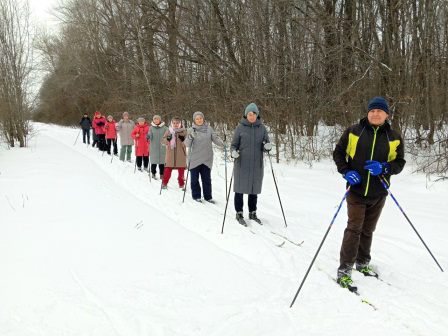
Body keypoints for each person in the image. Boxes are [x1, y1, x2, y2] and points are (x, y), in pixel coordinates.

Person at [333, 97, 405, 290]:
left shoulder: (394, 137)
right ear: (367, 113)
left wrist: (384, 167)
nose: (375, 114)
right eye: (372, 111)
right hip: (356, 191)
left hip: (379, 192)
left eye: (379, 111)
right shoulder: (354, 131)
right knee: (354, 229)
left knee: (368, 230)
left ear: (386, 115)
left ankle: (362, 263)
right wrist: (346, 171)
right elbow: (338, 153)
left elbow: (399, 163)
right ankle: (344, 269)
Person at [230, 103, 271, 226]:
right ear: (246, 115)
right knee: (240, 189)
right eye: (249, 114)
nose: (252, 116)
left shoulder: (262, 128)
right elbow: (233, 145)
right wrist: (233, 152)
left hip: (256, 164)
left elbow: (266, 144)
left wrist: (267, 147)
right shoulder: (240, 128)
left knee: (254, 189)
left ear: (257, 115)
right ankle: (239, 212)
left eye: (254, 114)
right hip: (242, 163)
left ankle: (253, 212)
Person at [185, 111, 224, 203]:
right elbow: (187, 144)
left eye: (200, 118)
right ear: (194, 120)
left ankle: (208, 197)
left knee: (206, 179)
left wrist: (223, 143)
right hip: (194, 158)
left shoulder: (209, 128)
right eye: (197, 119)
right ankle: (196, 196)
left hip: (207, 158)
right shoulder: (191, 130)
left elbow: (215, 138)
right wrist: (190, 137)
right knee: (194, 179)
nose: (199, 120)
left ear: (203, 119)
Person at [161, 117, 187, 189]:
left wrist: (183, 140)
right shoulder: (169, 131)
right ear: (172, 123)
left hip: (181, 153)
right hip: (170, 153)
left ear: (180, 123)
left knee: (181, 169)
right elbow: (163, 141)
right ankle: (164, 183)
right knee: (168, 169)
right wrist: (167, 139)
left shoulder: (183, 131)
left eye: (177, 123)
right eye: (174, 123)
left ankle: (181, 184)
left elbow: (188, 142)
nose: (176, 124)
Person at [148, 115, 167, 179]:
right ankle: (153, 173)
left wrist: (168, 138)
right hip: (154, 147)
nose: (156, 120)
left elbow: (167, 135)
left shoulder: (164, 128)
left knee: (162, 162)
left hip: (162, 147)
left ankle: (162, 174)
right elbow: (150, 134)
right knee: (154, 162)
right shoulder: (151, 127)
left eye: (157, 119)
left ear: (160, 120)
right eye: (155, 119)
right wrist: (148, 136)